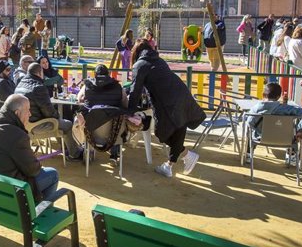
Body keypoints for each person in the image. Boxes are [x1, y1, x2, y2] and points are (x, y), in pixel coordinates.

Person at [128, 39, 205, 178]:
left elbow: (135, 90)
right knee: (179, 129)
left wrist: (129, 111)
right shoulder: (158, 60)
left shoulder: (140, 64)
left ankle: (183, 157)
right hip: (182, 94)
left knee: (161, 132)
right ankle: (172, 164)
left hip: (168, 102)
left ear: (136, 51)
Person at [0, 94, 59, 200]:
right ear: (17, 113)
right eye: (28, 110)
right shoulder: (16, 135)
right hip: (5, 193)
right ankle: (42, 211)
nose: (30, 114)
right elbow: (33, 170)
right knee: (53, 174)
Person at [15, 62, 84, 160]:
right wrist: (58, 116)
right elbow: (49, 111)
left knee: (57, 121)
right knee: (66, 124)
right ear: (40, 73)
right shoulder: (38, 87)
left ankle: (65, 147)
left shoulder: (20, 84)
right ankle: (75, 154)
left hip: (23, 124)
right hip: (36, 125)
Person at [246, 82, 302, 165]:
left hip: (260, 138)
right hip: (286, 140)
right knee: (291, 131)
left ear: (263, 94)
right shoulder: (287, 109)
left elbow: (249, 123)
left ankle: (248, 154)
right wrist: (301, 130)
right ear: (278, 97)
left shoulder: (255, 109)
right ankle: (291, 156)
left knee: (249, 131)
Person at [76, 64, 129, 164]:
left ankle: (88, 150)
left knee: (82, 119)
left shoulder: (87, 85)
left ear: (95, 74)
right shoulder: (118, 86)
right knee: (118, 119)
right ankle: (114, 154)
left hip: (92, 130)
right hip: (113, 132)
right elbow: (125, 103)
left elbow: (78, 99)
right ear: (108, 74)